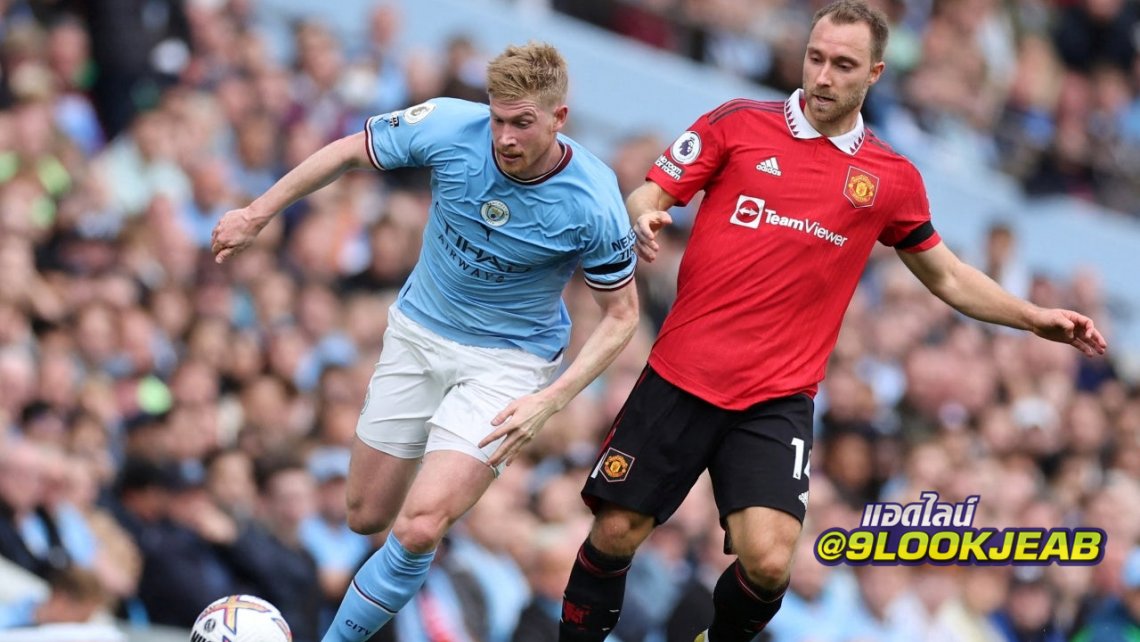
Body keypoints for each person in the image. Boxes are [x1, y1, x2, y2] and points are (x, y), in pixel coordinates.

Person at [557, 2, 1108, 642]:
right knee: (617, 532)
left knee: (769, 562)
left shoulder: (891, 178)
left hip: (776, 397)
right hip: (683, 374)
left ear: (874, 73)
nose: (822, 76)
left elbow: (949, 276)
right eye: (815, 58)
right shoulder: (737, 123)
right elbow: (651, 191)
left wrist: (1033, 317)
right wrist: (645, 214)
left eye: (843, 65)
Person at [210, 42, 640, 642]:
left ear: (558, 118)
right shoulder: (447, 125)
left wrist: (550, 402)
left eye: (523, 123)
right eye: (498, 119)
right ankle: (443, 476)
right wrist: (256, 213)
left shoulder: (593, 200)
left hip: (508, 365)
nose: (506, 138)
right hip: (419, 332)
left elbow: (622, 316)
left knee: (417, 527)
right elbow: (348, 151)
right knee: (366, 516)